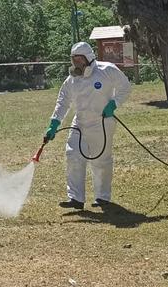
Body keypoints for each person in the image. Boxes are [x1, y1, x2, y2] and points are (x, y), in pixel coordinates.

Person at [45, 42, 132, 209]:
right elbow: (63, 101)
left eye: (79, 60)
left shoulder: (107, 70)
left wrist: (113, 104)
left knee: (101, 161)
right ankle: (76, 199)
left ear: (88, 58)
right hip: (80, 123)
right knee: (73, 156)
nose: (76, 64)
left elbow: (125, 87)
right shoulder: (72, 80)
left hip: (102, 123)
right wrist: (54, 124)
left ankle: (102, 197)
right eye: (74, 60)